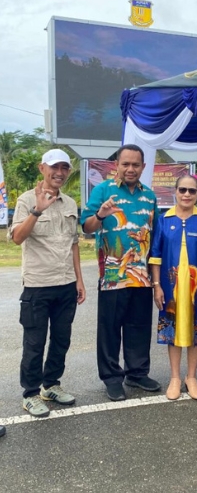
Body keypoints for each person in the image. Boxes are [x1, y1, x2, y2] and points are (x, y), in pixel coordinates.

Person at [81, 144, 160, 401]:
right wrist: (101, 215)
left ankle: (137, 373)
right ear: (117, 164)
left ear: (143, 167)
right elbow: (87, 226)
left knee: (139, 325)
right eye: (125, 163)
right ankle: (112, 378)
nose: (130, 169)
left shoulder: (149, 196)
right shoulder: (104, 190)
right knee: (110, 327)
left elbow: (155, 232)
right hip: (113, 273)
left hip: (142, 274)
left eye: (135, 164)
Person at [10, 149, 86, 417]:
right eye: (55, 167)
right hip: (37, 285)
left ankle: (50, 385)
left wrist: (79, 280)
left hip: (66, 284)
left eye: (65, 168)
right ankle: (30, 393)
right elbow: (17, 238)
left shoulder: (70, 203)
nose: (60, 173)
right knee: (34, 342)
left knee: (61, 340)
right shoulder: (26, 200)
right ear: (41, 168)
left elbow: (74, 244)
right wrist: (36, 212)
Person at [149, 175, 197, 401]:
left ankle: (192, 377)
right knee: (172, 329)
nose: (187, 195)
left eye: (192, 191)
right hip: (170, 286)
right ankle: (175, 377)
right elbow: (155, 255)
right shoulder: (163, 219)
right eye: (183, 190)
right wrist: (157, 286)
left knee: (195, 329)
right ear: (175, 192)